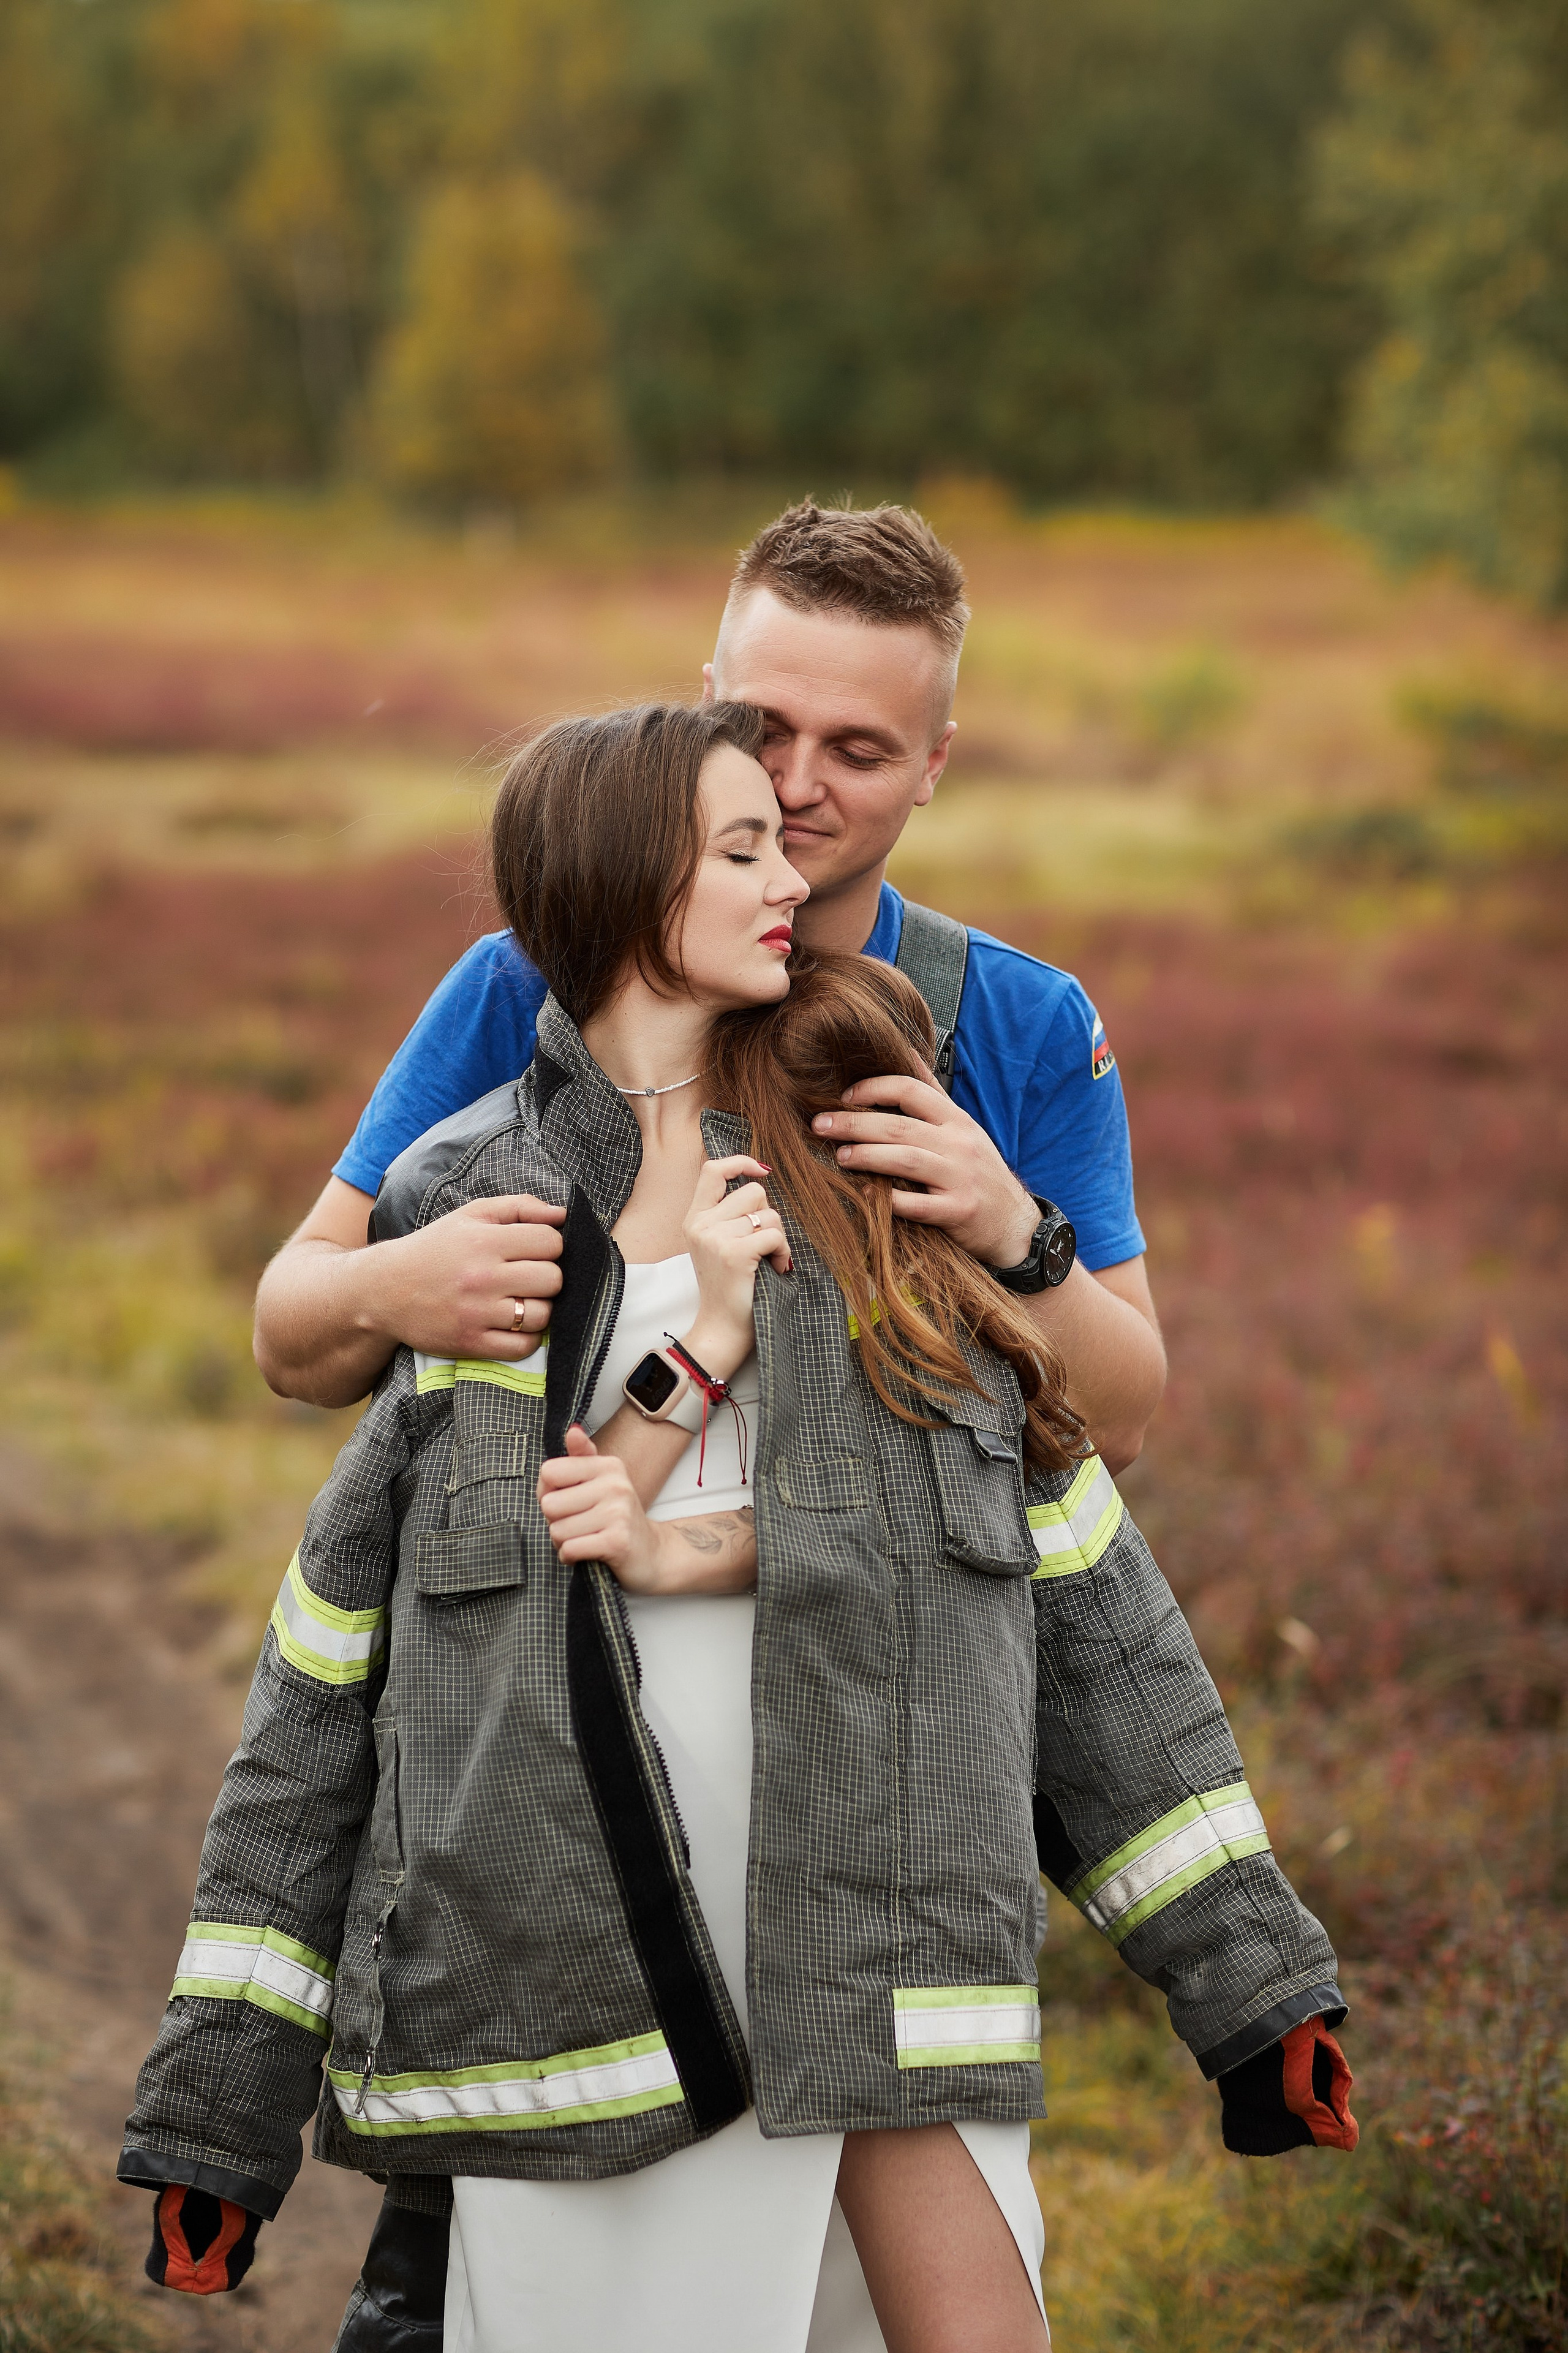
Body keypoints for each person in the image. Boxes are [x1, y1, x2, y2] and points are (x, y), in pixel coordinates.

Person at [123, 704, 1356, 2353]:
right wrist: (221, 2110)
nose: (796, 867)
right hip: (579, 2003)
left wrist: (1252, 1981)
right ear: (634, 887)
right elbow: (325, 1685)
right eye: (745, 845)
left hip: (883, 1948)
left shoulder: (869, 1182)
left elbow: (1078, 1590)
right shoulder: (457, 1224)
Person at [252, 500, 1166, 1479]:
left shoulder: (1029, 1023)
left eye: (859, 752)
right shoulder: (523, 985)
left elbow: (1122, 1426)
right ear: (705, 705)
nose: (797, 784)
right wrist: (391, 1286)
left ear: (933, 763)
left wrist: (1016, 1234)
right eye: (763, 728)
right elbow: (288, 1336)